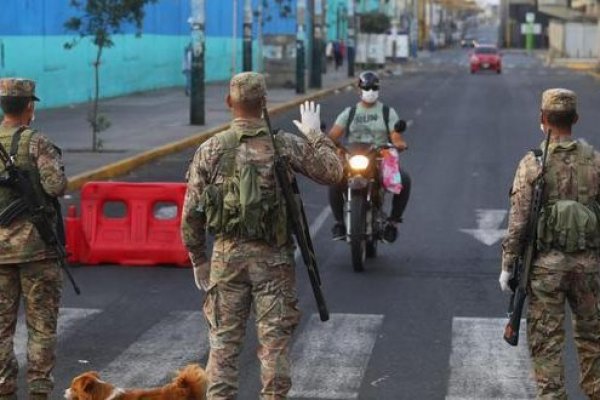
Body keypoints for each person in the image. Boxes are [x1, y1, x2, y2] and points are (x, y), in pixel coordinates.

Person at [181, 72, 343, 400]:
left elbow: (191, 214)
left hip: (227, 261)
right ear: (265, 103)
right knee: (274, 347)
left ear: (229, 103)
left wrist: (199, 259)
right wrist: (315, 134)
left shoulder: (211, 149)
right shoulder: (283, 144)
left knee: (223, 347)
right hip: (274, 260)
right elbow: (333, 172)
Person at [500, 88, 600, 399]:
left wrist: (507, 266)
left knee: (547, 344)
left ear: (542, 119)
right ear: (576, 119)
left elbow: (519, 221)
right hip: (590, 269)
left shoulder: (532, 164)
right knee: (593, 339)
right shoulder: (595, 161)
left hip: (545, 271)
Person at [0, 78, 67, 400]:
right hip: (37, 251)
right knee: (42, 327)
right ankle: (40, 391)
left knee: (0, 330)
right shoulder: (38, 143)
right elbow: (56, 187)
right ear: (30, 106)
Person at [327, 70, 411, 243]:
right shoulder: (349, 113)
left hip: (380, 158)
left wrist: (399, 143)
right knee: (334, 179)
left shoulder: (387, 112)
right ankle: (339, 223)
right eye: (367, 87)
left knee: (404, 179)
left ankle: (392, 223)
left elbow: (395, 136)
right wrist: (328, 143)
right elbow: (333, 136)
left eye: (374, 87)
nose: (370, 91)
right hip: (353, 156)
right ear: (359, 90)